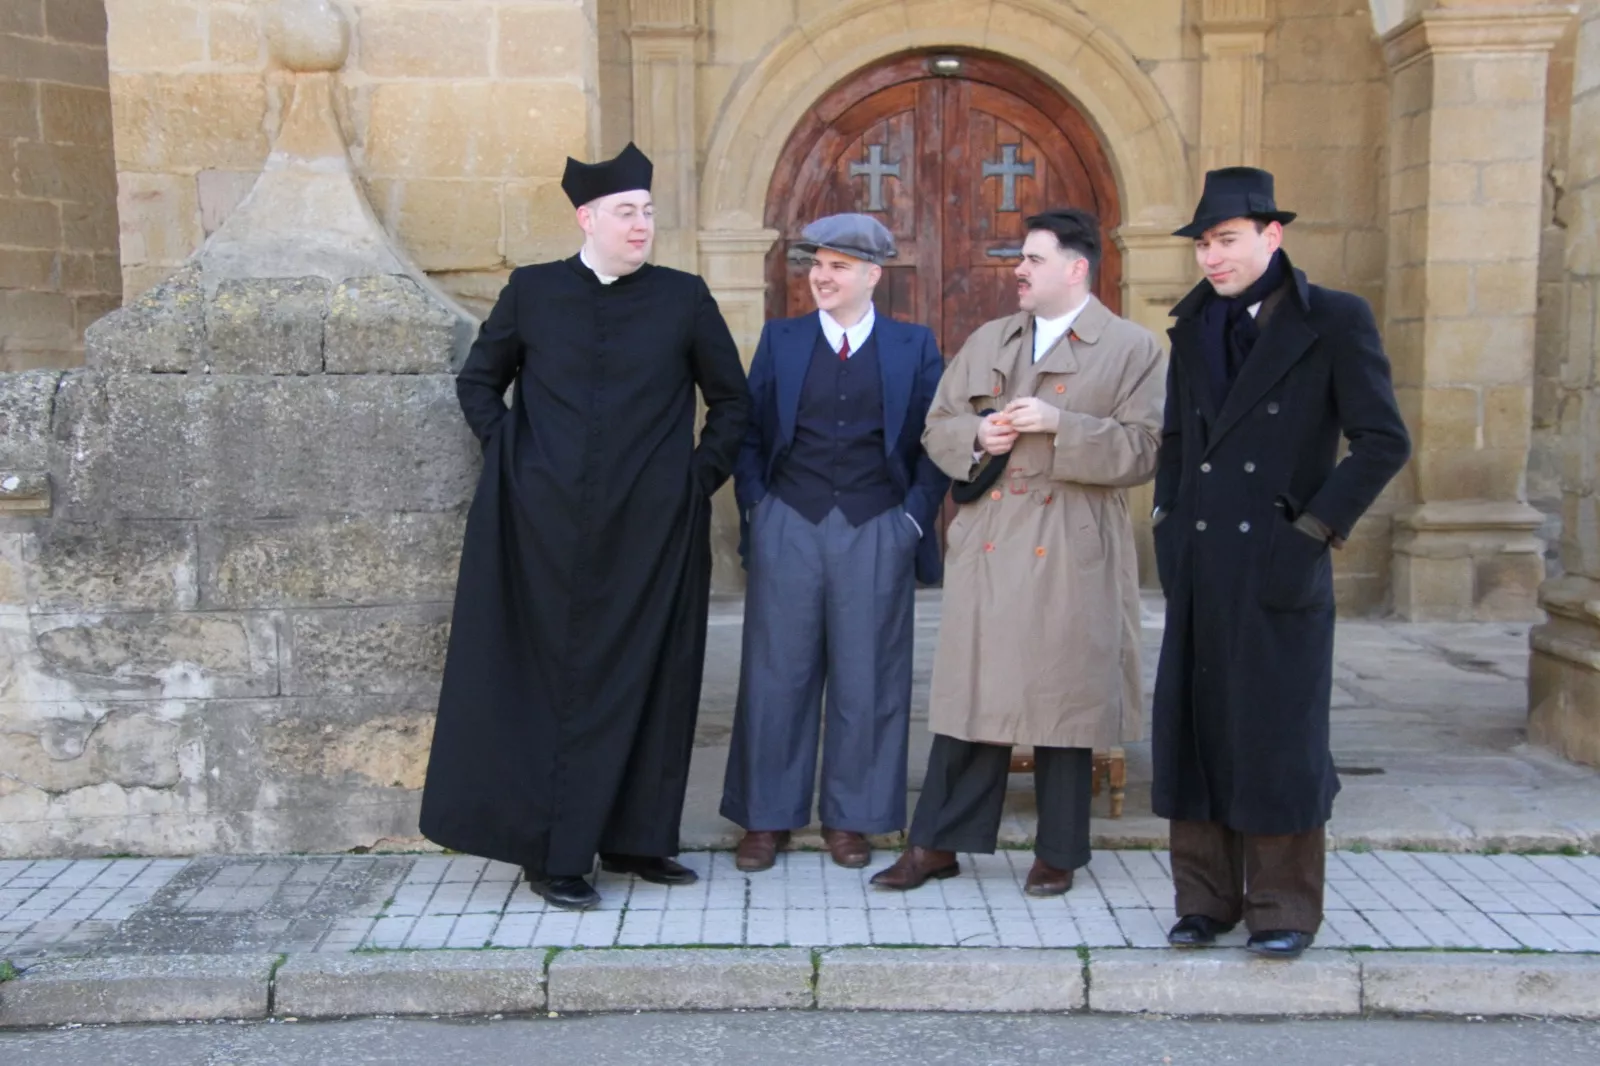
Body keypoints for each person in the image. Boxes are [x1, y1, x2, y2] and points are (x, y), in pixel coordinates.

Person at [419, 143, 750, 910]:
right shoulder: (533, 294)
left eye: (649, 214)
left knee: (654, 679)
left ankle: (639, 839)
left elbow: (732, 404)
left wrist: (692, 482)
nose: (643, 227)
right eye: (628, 214)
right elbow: (478, 383)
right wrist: (516, 464)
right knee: (554, 688)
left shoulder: (683, 298)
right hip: (542, 534)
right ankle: (553, 853)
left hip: (654, 532)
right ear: (588, 219)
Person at [1151, 167, 1410, 958]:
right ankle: (1204, 901)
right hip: (1200, 556)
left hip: (1278, 558)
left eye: (1225, 240)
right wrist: (1166, 524)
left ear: (1272, 234)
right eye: (1203, 244)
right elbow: (1174, 442)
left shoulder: (1333, 318)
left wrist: (1313, 532)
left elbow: (1383, 440)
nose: (1211, 258)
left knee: (1276, 734)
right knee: (1195, 727)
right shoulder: (1193, 324)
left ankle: (1283, 910)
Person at [871, 208, 1164, 897]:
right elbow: (936, 425)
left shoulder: (1132, 348)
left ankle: (1059, 852)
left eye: (1033, 259)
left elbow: (1145, 450)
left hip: (1073, 538)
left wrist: (1064, 425)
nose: (1019, 272)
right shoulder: (990, 339)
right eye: (1020, 259)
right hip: (992, 539)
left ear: (1076, 267)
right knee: (974, 696)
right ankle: (937, 845)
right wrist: (978, 436)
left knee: (1066, 699)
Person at [720, 214, 948, 873]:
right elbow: (750, 432)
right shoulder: (781, 341)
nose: (822, 276)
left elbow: (936, 440)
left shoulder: (914, 346)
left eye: (838, 266)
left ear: (873, 275)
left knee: (870, 675)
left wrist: (911, 520)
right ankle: (765, 818)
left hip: (878, 523)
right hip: (790, 518)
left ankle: (853, 819)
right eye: (817, 264)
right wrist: (759, 509)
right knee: (775, 675)